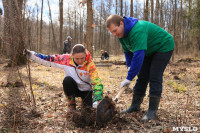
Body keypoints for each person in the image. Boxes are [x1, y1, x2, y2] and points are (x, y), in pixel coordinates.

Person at [106, 15, 174, 122]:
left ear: (121, 23)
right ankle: (135, 106)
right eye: (112, 33)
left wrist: (129, 78)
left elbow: (138, 55)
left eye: (115, 30)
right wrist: (129, 67)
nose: (115, 34)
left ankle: (152, 111)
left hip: (163, 45)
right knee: (142, 76)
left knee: (154, 76)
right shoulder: (122, 35)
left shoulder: (137, 30)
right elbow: (128, 51)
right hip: (148, 49)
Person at [24, 44, 103, 112]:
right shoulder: (66, 60)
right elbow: (48, 59)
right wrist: (32, 55)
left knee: (88, 110)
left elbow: (96, 82)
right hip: (73, 88)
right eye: (77, 58)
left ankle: (86, 103)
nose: (80, 61)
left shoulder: (90, 64)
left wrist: (97, 99)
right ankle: (71, 105)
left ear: (85, 55)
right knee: (67, 80)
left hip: (87, 90)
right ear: (72, 55)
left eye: (82, 58)